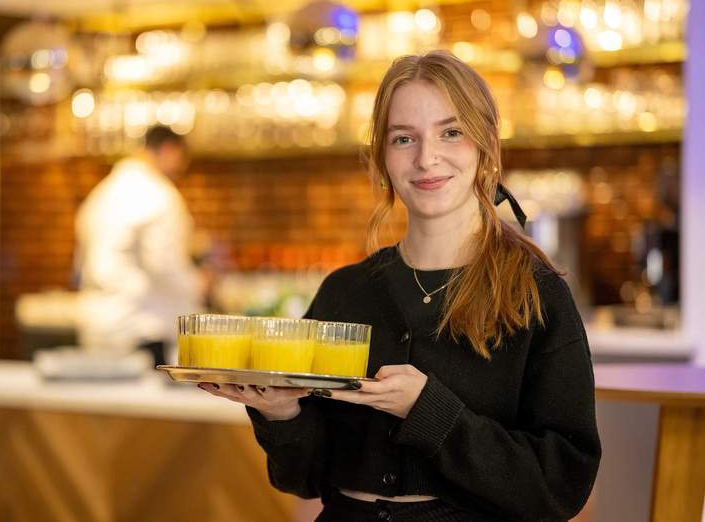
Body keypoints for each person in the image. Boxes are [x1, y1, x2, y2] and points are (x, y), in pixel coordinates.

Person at [200, 51, 601, 521]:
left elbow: (561, 484)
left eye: (451, 132)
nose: (427, 158)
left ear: (486, 142)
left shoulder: (535, 295)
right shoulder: (345, 292)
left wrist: (428, 411)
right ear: (382, 156)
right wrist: (283, 414)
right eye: (404, 138)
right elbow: (302, 480)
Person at [75, 125, 203, 367]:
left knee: (104, 404)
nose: (180, 170)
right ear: (169, 150)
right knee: (144, 403)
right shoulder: (159, 196)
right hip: (139, 329)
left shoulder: (102, 193)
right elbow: (164, 265)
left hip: (97, 325)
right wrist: (199, 285)